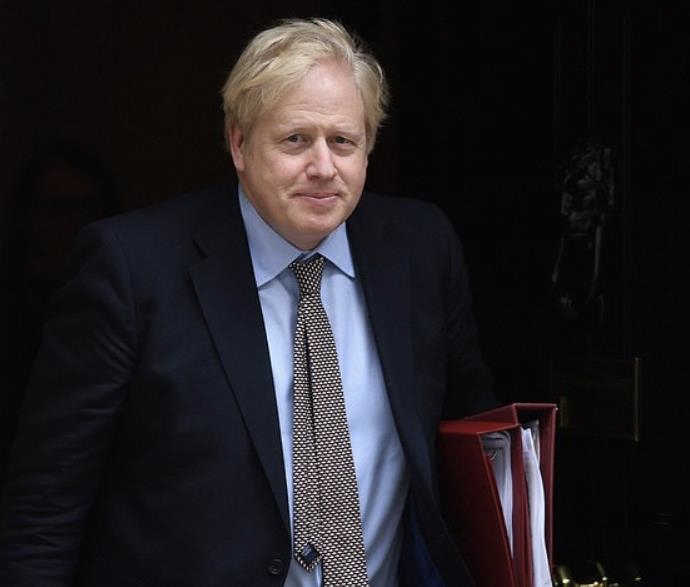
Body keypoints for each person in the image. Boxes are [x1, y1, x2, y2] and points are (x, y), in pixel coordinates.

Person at [0, 17, 498, 586]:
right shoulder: (133, 269)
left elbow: (479, 456)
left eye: (342, 141)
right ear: (239, 143)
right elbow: (46, 507)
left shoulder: (420, 252)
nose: (323, 167)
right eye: (295, 140)